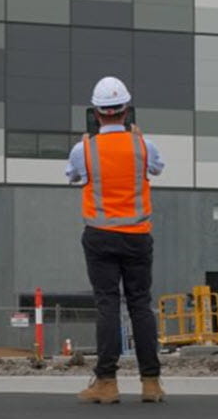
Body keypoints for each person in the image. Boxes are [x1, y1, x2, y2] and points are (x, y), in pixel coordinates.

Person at [65, 76, 165, 404]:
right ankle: (151, 383)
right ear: (126, 110)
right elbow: (158, 169)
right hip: (137, 237)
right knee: (140, 304)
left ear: (96, 113)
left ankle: (106, 382)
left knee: (107, 304)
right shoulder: (143, 145)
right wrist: (138, 142)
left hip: (100, 237)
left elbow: (74, 177)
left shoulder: (84, 149)